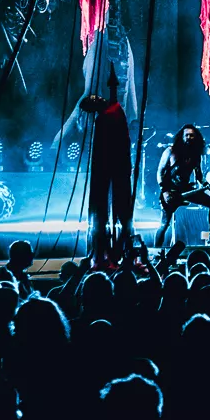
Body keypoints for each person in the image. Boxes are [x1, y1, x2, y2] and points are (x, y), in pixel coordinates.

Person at [83, 65, 134, 271]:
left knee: (121, 211)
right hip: (108, 166)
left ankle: (117, 252)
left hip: (116, 165)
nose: (97, 98)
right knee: (103, 211)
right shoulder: (106, 116)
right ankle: (103, 254)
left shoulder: (112, 112)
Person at [156, 124, 210, 248]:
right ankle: (156, 251)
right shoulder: (170, 151)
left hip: (186, 190)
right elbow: (160, 172)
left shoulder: (195, 155)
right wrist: (164, 191)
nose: (189, 138)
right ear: (182, 136)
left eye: (192, 135)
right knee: (164, 224)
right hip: (170, 191)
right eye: (187, 135)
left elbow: (199, 176)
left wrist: (207, 185)